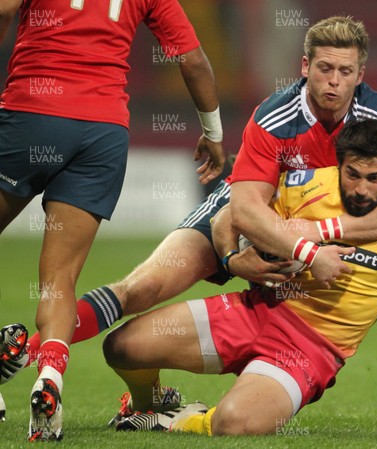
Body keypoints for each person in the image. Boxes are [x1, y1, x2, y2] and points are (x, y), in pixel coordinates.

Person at [1, 15, 377, 395]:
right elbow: (243, 211)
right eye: (324, 68)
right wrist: (233, 255)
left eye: (345, 71)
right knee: (144, 286)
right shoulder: (274, 117)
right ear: (304, 67)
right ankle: (26, 350)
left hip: (300, 232)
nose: (333, 81)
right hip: (246, 215)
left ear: (360, 74)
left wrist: (316, 234)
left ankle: (158, 395)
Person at [102, 119, 377, 436]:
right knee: (121, 347)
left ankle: (171, 420)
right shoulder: (309, 184)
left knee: (234, 423)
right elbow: (229, 215)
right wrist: (232, 258)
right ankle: (150, 401)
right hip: (257, 311)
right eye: (352, 174)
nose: (360, 188)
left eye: (373, 178)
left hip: (309, 351)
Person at [0, 0, 224, 441]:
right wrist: (213, 133)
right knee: (60, 277)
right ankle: (51, 377)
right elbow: (192, 59)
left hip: (32, 114)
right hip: (102, 133)